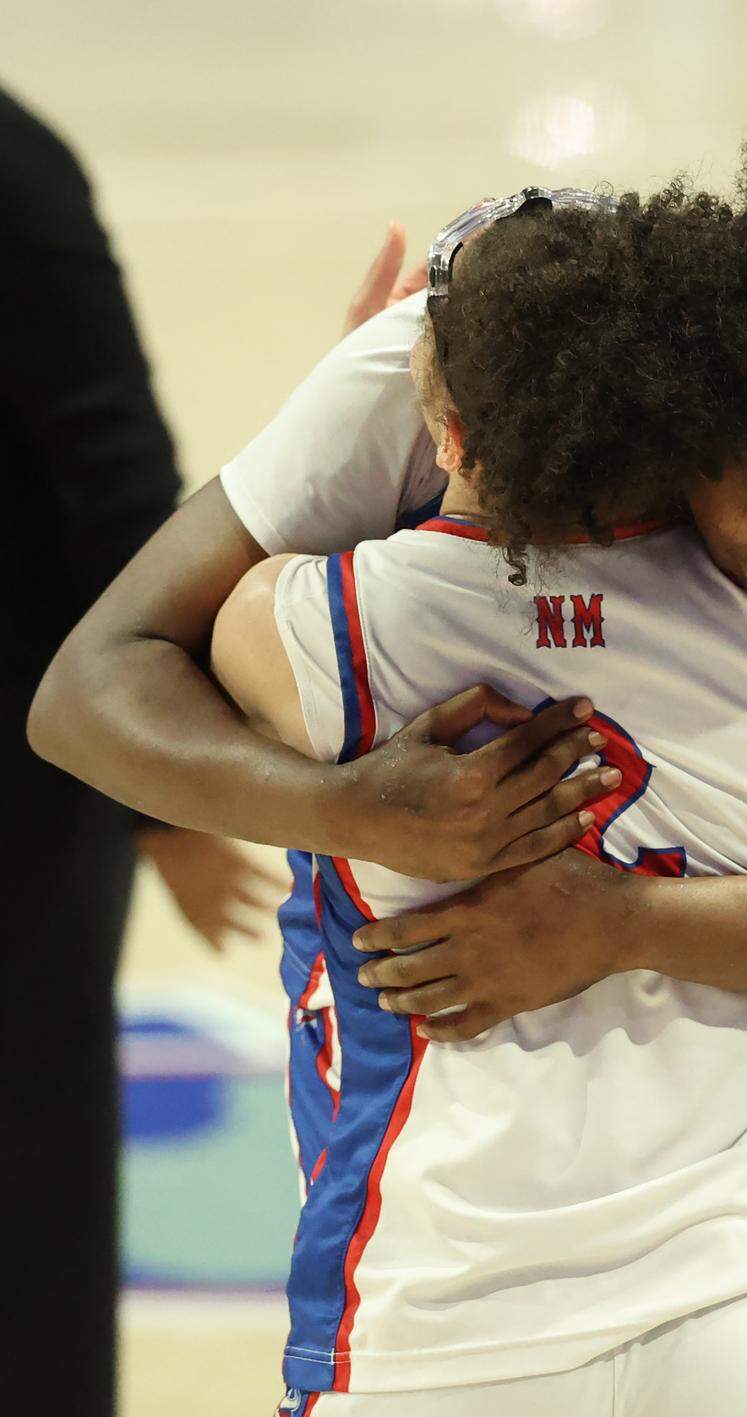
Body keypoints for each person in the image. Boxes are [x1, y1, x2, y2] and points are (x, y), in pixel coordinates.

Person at [28, 49, 747, 1417]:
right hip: (647, 1256)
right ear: (703, 404)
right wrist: (355, 810)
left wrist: (618, 919)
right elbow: (93, 687)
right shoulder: (437, 369)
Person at [211, 179, 747, 1417]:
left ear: (446, 427)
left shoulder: (316, 627)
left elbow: (139, 668)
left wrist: (344, 411)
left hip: (443, 1324)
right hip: (744, 1308)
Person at [0, 86, 281, 1416]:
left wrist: (162, 804)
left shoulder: (13, 171)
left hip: (25, 778)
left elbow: (120, 486)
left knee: (29, 1169)